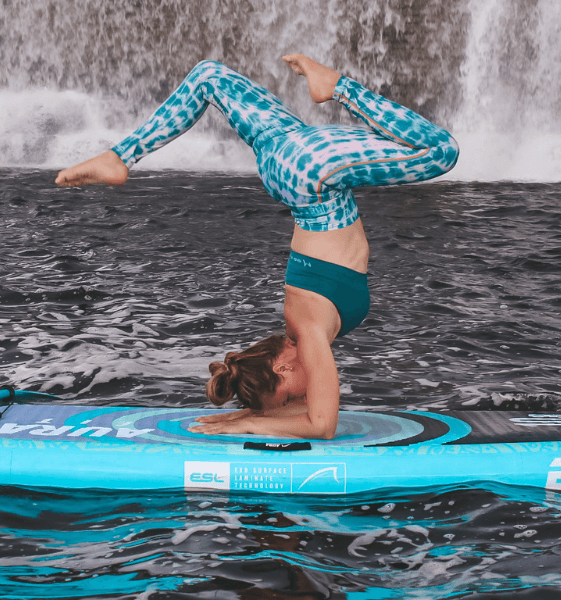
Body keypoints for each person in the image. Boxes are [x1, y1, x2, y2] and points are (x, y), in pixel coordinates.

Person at [56, 54, 458, 439]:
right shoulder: (302, 327)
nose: (302, 397)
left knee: (441, 152)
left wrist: (247, 426)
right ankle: (119, 156)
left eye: (289, 395)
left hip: (310, 175)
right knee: (208, 76)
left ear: (282, 367)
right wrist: (250, 414)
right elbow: (305, 413)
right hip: (282, 156)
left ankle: (337, 85)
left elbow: (321, 425)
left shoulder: (310, 330)